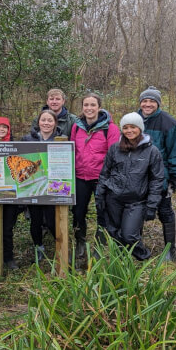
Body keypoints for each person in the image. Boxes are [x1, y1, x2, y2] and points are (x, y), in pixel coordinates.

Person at [95, 113, 165, 260]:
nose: (129, 131)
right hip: (113, 198)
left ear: (140, 128)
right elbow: (105, 173)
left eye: (133, 127)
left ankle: (143, 256)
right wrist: (100, 196)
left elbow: (157, 179)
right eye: (125, 128)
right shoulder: (115, 148)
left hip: (136, 201)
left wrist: (152, 205)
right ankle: (122, 259)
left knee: (129, 234)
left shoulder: (152, 151)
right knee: (113, 231)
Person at [137, 86, 176, 261]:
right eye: (145, 101)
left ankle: (169, 250)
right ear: (140, 103)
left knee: (164, 210)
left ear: (158, 103)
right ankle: (137, 246)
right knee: (135, 210)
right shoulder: (134, 120)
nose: (148, 104)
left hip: (160, 176)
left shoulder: (169, 123)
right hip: (137, 175)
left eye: (152, 101)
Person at [70, 93, 120, 259]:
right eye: (86, 105)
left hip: (101, 178)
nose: (89, 108)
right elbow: (71, 150)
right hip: (80, 176)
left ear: (99, 107)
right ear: (82, 107)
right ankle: (80, 243)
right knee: (78, 212)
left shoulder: (110, 129)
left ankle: (100, 245)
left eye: (93, 105)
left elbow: (114, 155)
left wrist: (109, 178)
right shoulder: (76, 127)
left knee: (103, 211)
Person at [22, 109, 63, 262]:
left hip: (54, 187)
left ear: (55, 123)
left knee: (52, 221)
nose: (46, 123)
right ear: (38, 122)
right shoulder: (27, 139)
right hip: (34, 187)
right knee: (36, 221)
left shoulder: (61, 140)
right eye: (43, 120)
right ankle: (38, 247)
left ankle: (61, 248)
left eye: (50, 120)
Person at [0, 117, 21, 270]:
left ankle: (8, 257)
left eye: (4, 127)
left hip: (9, 193)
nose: (1, 130)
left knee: (7, 228)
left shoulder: (15, 147)